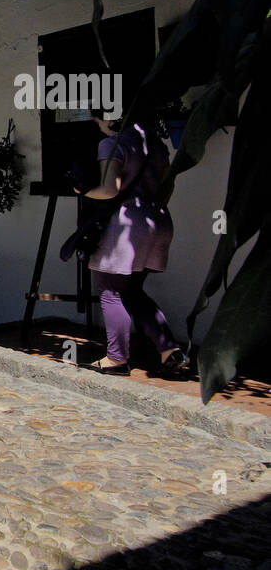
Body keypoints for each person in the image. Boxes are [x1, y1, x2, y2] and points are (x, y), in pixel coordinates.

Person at [76, 110, 188, 376]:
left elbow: (109, 189)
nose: (97, 124)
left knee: (110, 291)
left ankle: (116, 359)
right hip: (157, 222)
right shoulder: (156, 145)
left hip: (125, 227)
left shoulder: (113, 144)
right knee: (132, 291)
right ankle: (169, 350)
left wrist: (81, 190)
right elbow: (165, 185)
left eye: (98, 118)